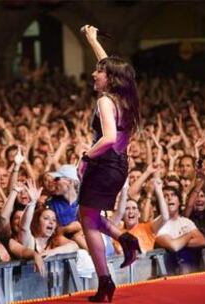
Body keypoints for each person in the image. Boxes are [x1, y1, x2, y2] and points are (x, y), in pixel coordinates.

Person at [77, 25, 141, 303]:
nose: (94, 73)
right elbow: (111, 65)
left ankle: (105, 282)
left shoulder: (105, 100)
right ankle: (126, 240)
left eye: (99, 72)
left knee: (87, 221)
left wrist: (85, 157)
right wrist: (92, 40)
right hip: (119, 165)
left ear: (110, 78)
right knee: (90, 217)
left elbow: (108, 137)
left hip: (103, 164)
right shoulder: (125, 98)